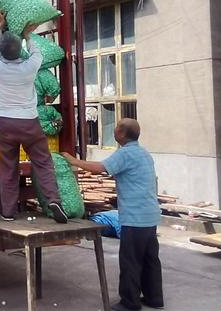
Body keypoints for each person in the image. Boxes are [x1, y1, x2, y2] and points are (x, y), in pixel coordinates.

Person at [62, 119, 164, 311]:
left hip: (135, 218)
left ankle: (130, 303)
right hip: (150, 216)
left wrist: (74, 161)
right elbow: (121, 173)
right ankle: (154, 298)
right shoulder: (143, 153)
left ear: (122, 134)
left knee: (130, 261)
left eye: (116, 127)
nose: (114, 129)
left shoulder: (125, 154)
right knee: (150, 259)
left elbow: (100, 168)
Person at [0, 13, 68, 224]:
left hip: (5, 124)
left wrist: (0, 25)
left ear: (1, 51)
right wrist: (28, 35)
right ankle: (53, 200)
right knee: (42, 162)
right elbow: (37, 52)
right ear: (19, 49)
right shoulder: (30, 67)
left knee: (9, 168)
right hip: (30, 123)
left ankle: (8, 212)